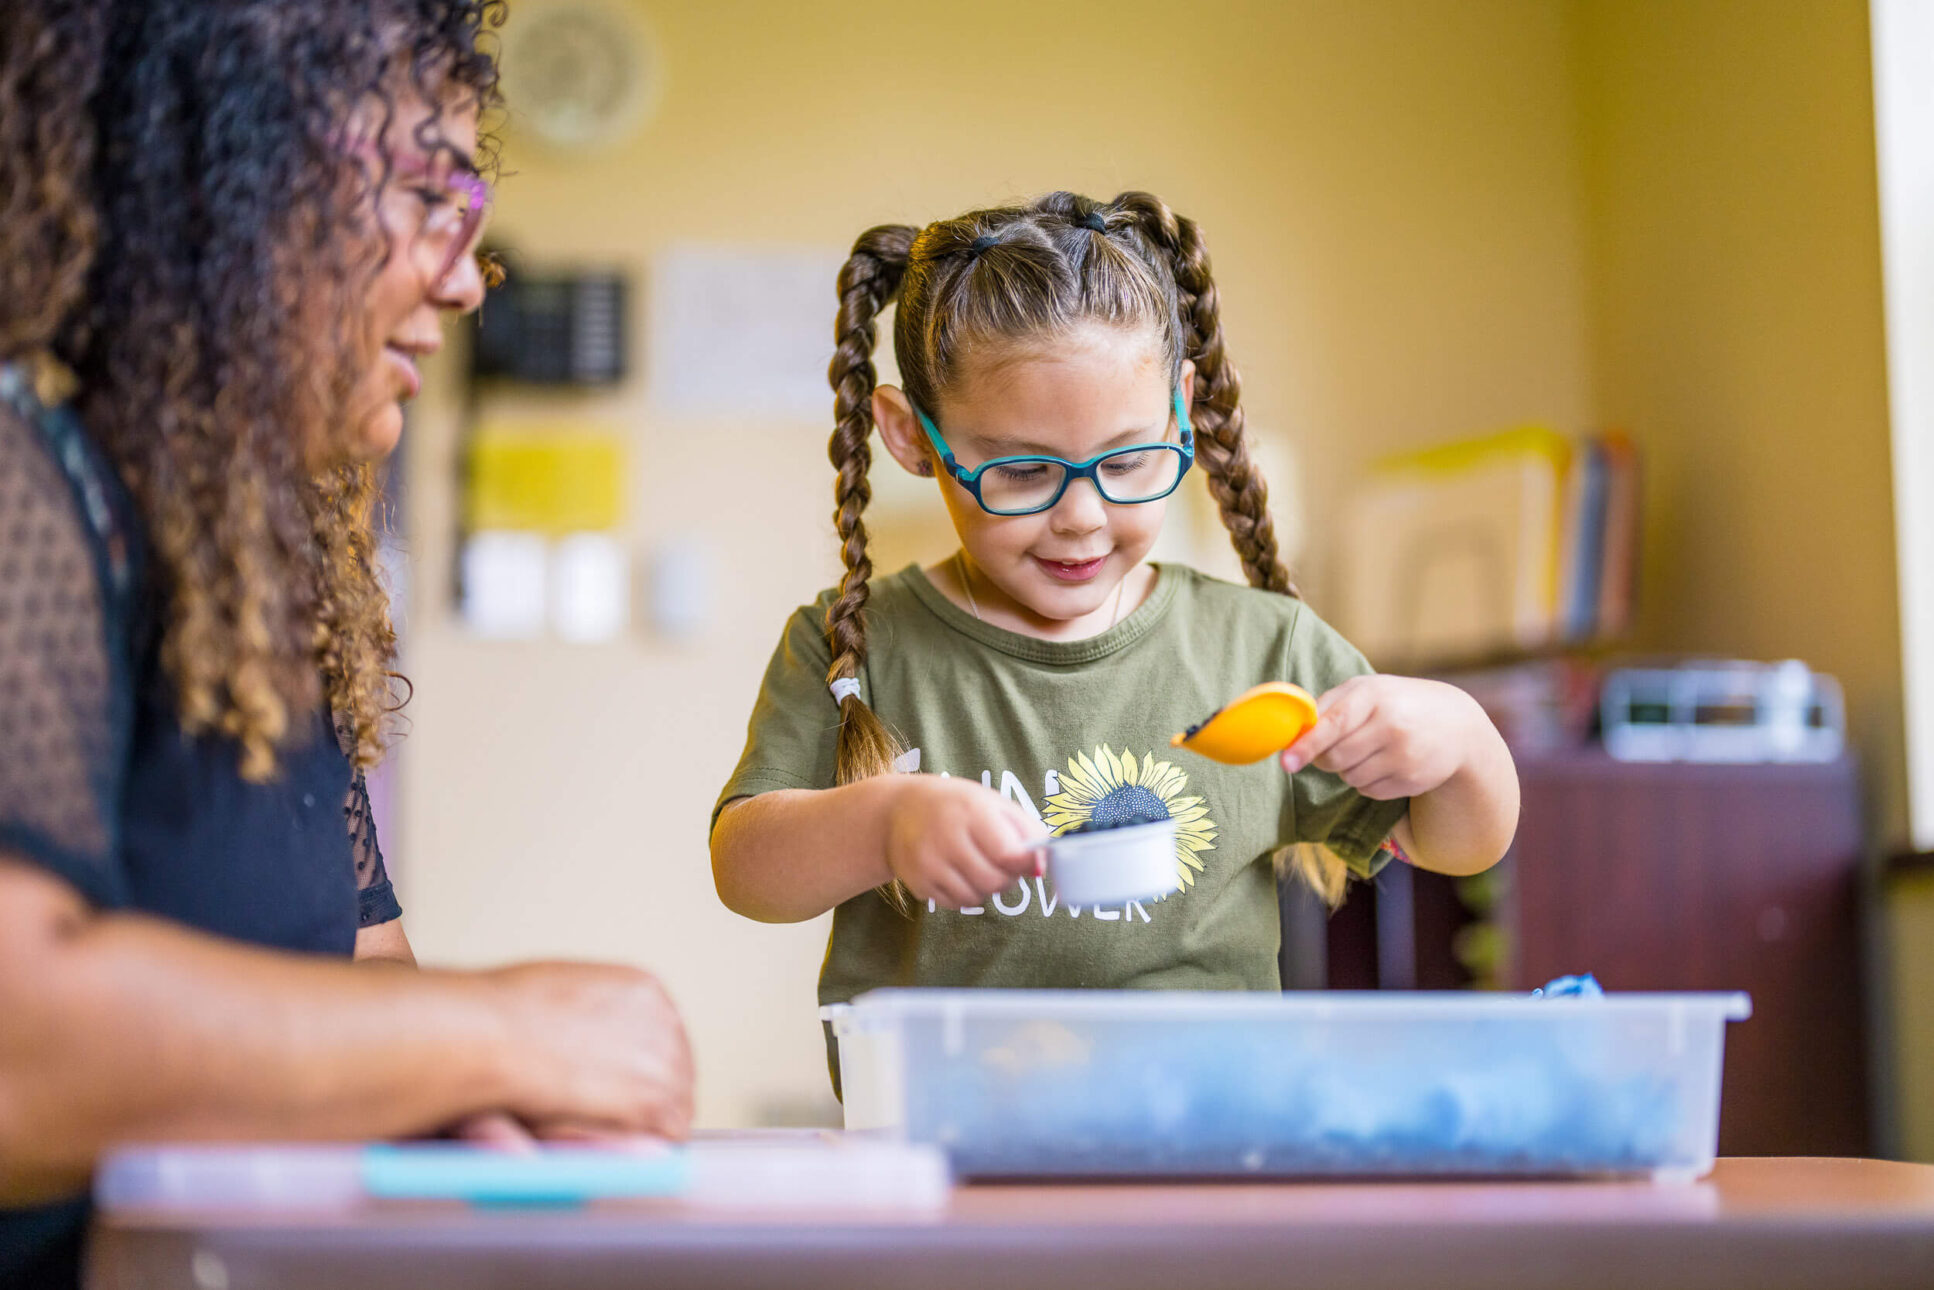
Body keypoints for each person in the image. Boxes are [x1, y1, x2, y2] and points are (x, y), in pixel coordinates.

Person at [0, 4, 691, 1284]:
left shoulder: (253, 566)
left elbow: (367, 976)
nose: (468, 272)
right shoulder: (25, 479)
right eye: (431, 193)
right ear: (234, 193)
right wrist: (504, 1035)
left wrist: (475, 1088)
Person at [711, 191, 1519, 1070]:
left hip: (1205, 1137)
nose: (1083, 518)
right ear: (914, 439)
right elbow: (746, 872)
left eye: (1129, 461)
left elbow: (1458, 843)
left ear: (1179, 410)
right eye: (1022, 472)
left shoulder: (1266, 651)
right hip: (942, 1145)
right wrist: (883, 822)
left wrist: (1464, 739)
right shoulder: (853, 646)